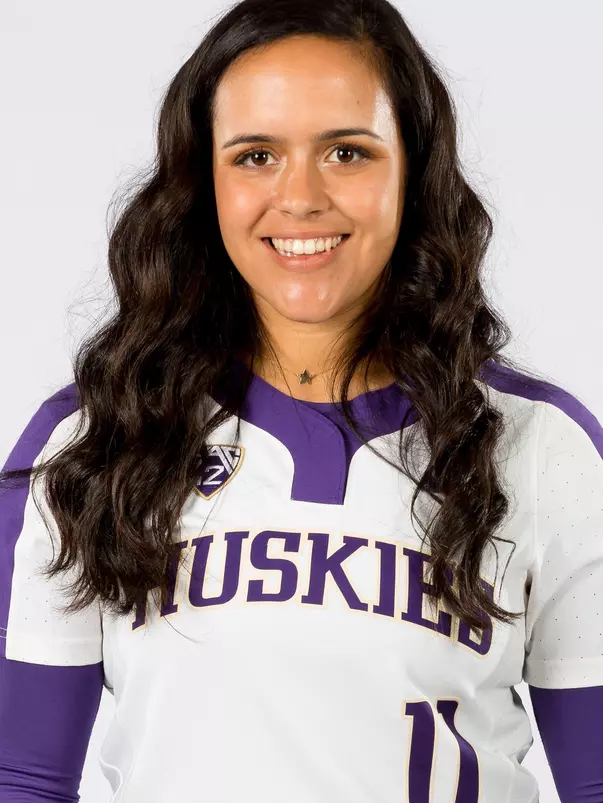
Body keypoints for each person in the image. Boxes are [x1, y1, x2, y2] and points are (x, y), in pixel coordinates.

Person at [1, 0, 602, 800]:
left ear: (412, 170)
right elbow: (23, 780)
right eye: (254, 156)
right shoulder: (93, 437)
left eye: (347, 152)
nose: (300, 197)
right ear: (200, 179)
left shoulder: (538, 448)